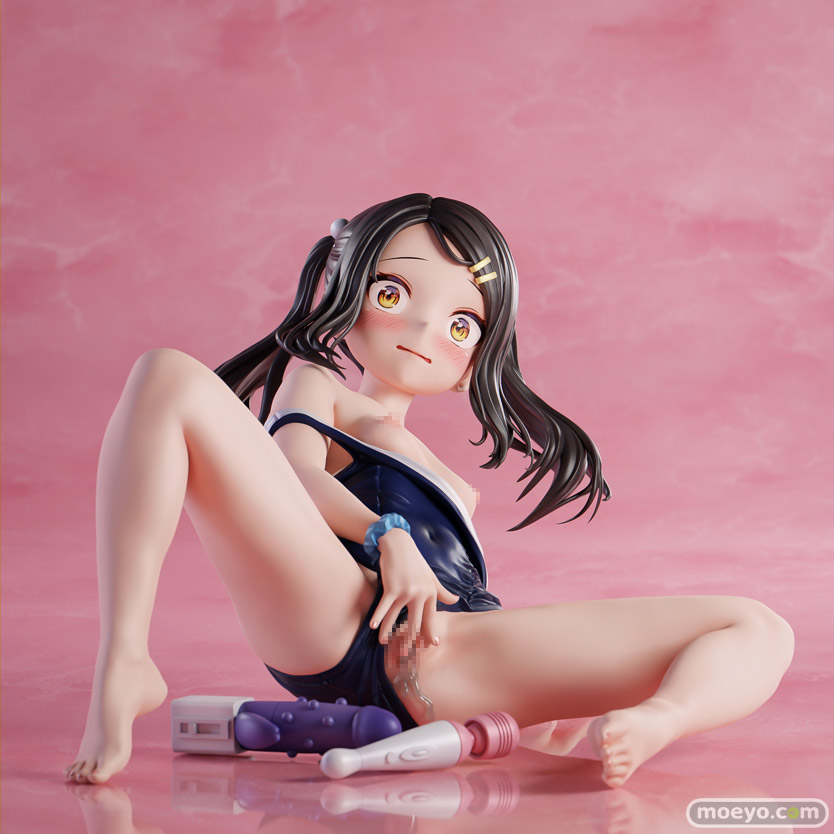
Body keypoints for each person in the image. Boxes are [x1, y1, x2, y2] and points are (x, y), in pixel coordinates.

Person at [64, 194, 793, 788]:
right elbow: (293, 473)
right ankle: (124, 659)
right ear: (345, 290)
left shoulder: (446, 474)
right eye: (392, 292)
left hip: (453, 652)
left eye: (460, 323)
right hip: (342, 613)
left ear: (478, 357)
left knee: (758, 625)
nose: (421, 329)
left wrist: (576, 701)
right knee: (167, 375)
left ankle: (656, 720)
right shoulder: (322, 387)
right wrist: (386, 535)